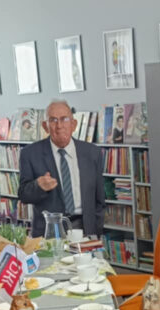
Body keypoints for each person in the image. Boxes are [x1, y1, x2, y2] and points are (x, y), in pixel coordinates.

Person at [19, 100, 105, 239]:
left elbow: (100, 198)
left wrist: (96, 229)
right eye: (53, 120)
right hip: (49, 232)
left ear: (74, 124)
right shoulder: (30, 154)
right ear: (45, 126)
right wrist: (38, 186)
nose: (59, 126)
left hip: (85, 229)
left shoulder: (92, 152)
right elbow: (23, 195)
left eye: (64, 119)